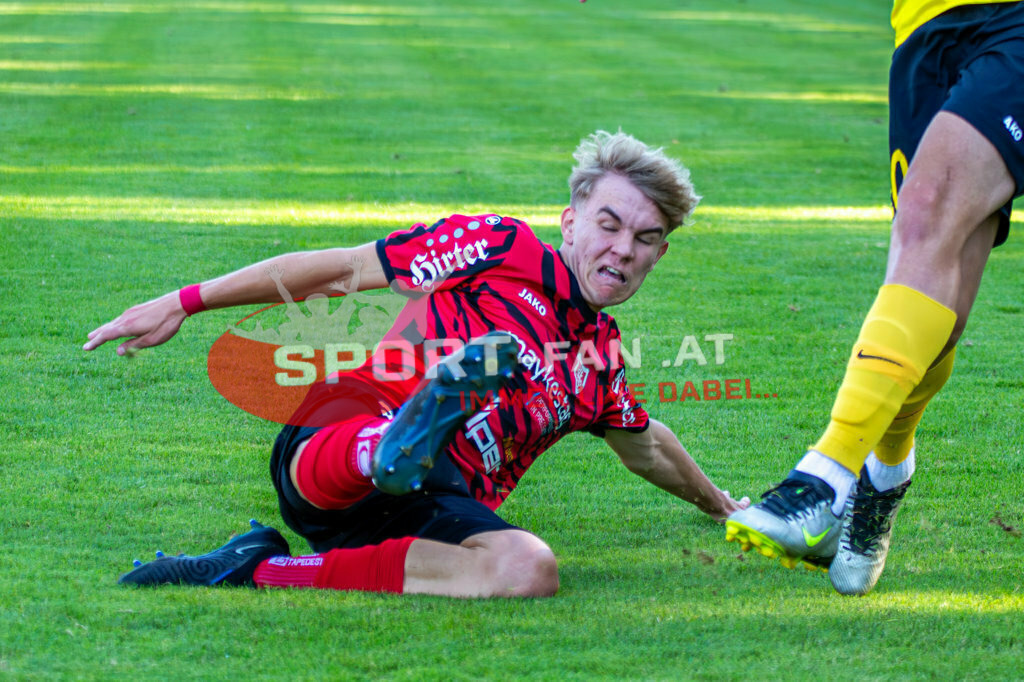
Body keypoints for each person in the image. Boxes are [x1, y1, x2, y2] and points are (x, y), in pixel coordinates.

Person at [85, 130, 750, 598]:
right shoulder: (497, 245)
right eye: (609, 225)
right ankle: (399, 440)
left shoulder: (598, 359)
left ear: (660, 253)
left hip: (422, 509)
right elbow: (344, 269)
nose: (624, 249)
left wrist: (723, 507)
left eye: (646, 238)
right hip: (334, 442)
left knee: (530, 570)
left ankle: (259, 568)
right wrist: (185, 301)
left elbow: (647, 448)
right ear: (569, 220)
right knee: (375, 427)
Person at [726, 0, 1024, 595]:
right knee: (934, 284)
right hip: (924, 30)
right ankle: (886, 474)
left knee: (925, 211)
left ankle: (825, 477)